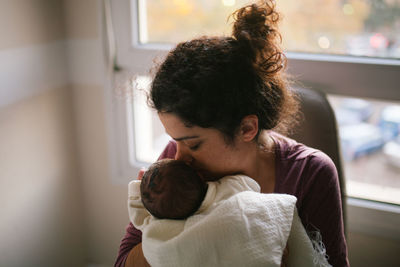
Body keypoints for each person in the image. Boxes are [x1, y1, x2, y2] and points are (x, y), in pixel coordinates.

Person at [115, 1, 349, 266]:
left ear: (247, 128)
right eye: (174, 141)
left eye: (193, 144)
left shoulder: (310, 174)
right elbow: (123, 261)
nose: (178, 157)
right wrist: (170, 234)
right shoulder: (176, 163)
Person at [128, 159, 331, 267]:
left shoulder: (156, 227)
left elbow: (138, 216)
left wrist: (137, 191)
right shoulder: (229, 188)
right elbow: (250, 186)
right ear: (200, 176)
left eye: (194, 143)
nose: (180, 154)